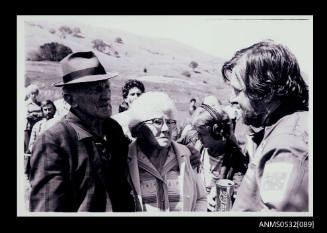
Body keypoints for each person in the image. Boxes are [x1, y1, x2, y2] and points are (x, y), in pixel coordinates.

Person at [29, 51, 135, 212]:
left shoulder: (113, 130)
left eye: (107, 87)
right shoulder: (53, 142)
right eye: (96, 89)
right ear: (70, 99)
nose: (106, 95)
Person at [221, 40, 309, 211]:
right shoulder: (279, 129)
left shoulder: (288, 145)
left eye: (238, 91)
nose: (232, 99)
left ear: (266, 92)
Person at [127, 91, 207, 211]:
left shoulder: (186, 155)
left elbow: (201, 198)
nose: (165, 128)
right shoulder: (126, 159)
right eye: (157, 122)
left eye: (170, 122)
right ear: (140, 126)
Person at [191, 104, 248, 211]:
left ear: (217, 131)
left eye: (201, 134)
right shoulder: (197, 150)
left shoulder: (236, 158)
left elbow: (240, 194)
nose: (198, 138)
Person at [24, 84, 43, 153]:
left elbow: (43, 113)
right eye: (32, 93)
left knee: (37, 145)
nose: (34, 95)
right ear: (29, 94)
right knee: (28, 147)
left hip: (38, 127)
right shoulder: (26, 104)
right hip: (29, 127)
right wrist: (37, 115)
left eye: (35, 93)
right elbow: (26, 115)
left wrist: (35, 115)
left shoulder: (39, 103)